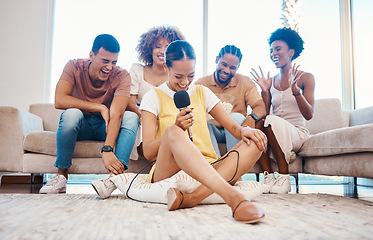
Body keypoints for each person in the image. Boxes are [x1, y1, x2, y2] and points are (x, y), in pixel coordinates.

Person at [141, 40, 267, 223]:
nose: (185, 83)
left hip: (208, 165)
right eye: (178, 76)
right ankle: (235, 199)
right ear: (166, 67)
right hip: (169, 169)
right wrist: (177, 128)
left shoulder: (202, 92)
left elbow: (232, 127)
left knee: (255, 141)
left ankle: (191, 198)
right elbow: (148, 152)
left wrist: (244, 131)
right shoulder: (153, 97)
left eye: (190, 75)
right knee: (172, 131)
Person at [40, 34, 139, 194]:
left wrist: (108, 149)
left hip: (104, 127)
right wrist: (99, 107)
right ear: (91, 55)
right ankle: (61, 177)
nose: (109, 67)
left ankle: (113, 179)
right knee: (71, 114)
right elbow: (59, 100)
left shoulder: (122, 76)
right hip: (81, 126)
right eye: (105, 61)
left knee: (131, 117)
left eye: (114, 62)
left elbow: (117, 114)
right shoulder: (74, 66)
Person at [250, 27, 315, 194]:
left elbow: (309, 115)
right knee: (258, 122)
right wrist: (265, 91)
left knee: (270, 121)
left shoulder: (305, 77)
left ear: (291, 52)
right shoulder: (270, 81)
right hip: (274, 132)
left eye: (278, 49)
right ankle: (269, 177)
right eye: (271, 50)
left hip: (297, 134)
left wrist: (296, 92)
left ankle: (284, 178)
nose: (273, 53)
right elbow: (264, 113)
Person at [196, 45, 266, 158]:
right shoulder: (201, 84)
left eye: (232, 67)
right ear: (216, 59)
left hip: (237, 129)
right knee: (200, 120)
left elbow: (260, 106)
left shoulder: (244, 82)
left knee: (236, 117)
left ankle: (234, 164)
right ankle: (214, 164)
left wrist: (252, 117)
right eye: (224, 64)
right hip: (213, 131)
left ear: (238, 67)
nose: (227, 70)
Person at [126, 26, 185, 160]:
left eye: (168, 47)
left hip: (168, 119)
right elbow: (130, 103)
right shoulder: (137, 70)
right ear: (149, 49)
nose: (163, 51)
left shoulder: (176, 75)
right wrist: (145, 117)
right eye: (158, 46)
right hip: (143, 118)